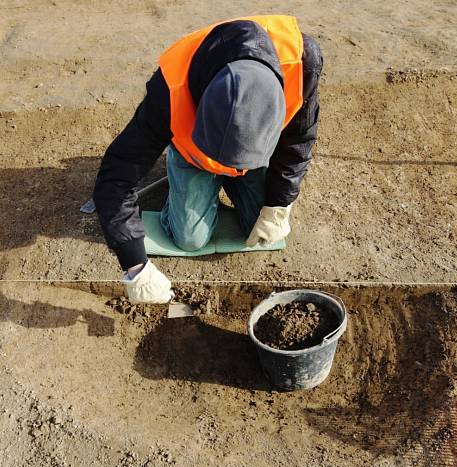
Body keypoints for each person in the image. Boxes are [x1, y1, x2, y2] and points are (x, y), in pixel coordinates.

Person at [93, 15, 323, 303]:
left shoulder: (301, 63)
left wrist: (279, 203)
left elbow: (298, 140)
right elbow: (115, 178)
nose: (231, 168)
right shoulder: (169, 89)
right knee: (191, 239)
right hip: (194, 157)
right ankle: (183, 184)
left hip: (256, 156)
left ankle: (235, 177)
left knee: (262, 230)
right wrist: (134, 265)